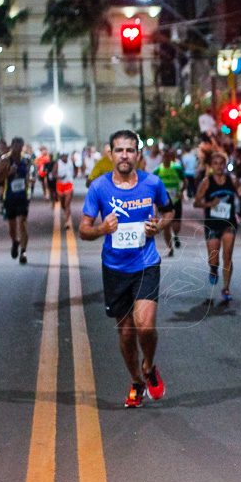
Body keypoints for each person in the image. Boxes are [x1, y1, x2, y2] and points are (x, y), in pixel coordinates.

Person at [80, 130, 173, 408]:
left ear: (138, 155)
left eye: (130, 150)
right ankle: (136, 381)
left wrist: (160, 226)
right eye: (119, 150)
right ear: (110, 154)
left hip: (146, 263)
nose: (124, 155)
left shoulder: (152, 183)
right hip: (115, 267)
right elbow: (84, 230)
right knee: (127, 332)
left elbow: (168, 211)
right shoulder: (98, 188)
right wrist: (101, 229)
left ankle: (149, 365)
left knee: (145, 327)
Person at [193, 152, 241, 302]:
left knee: (227, 256)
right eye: (215, 163)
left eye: (221, 163)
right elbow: (196, 202)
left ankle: (226, 288)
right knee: (214, 259)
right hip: (212, 224)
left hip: (228, 223)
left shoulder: (232, 180)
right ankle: (213, 269)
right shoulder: (207, 182)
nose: (218, 166)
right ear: (211, 166)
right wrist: (210, 204)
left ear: (225, 165)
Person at [0, 137, 32, 264]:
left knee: (22, 223)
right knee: (12, 225)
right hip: (9, 197)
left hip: (22, 196)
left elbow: (28, 176)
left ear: (22, 146)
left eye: (20, 146)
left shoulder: (26, 160)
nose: (17, 148)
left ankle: (23, 252)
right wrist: (8, 173)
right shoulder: (5, 160)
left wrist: (30, 186)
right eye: (15, 145)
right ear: (11, 146)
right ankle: (15, 242)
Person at [155, 148, 185, 257]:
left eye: (168, 157)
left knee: (176, 226)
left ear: (171, 158)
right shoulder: (157, 170)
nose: (166, 160)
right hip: (164, 202)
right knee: (166, 225)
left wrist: (181, 192)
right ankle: (169, 248)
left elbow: (185, 182)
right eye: (164, 157)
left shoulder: (177, 168)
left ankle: (176, 235)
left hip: (176, 200)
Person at [53, 150, 75, 230]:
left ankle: (67, 221)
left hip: (68, 184)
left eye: (66, 156)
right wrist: (59, 177)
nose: (65, 158)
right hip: (60, 185)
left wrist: (73, 176)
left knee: (67, 203)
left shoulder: (70, 163)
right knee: (62, 204)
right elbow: (53, 174)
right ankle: (65, 213)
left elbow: (74, 171)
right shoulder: (58, 163)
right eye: (63, 156)